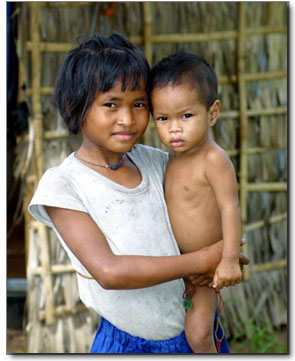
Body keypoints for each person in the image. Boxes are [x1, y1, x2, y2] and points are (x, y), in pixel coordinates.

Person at [28, 33, 248, 354]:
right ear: (74, 106)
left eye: (139, 104)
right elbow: (109, 272)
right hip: (127, 343)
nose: (128, 119)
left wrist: (226, 257)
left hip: (192, 332)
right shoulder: (63, 185)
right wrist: (202, 260)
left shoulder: (158, 162)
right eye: (111, 104)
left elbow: (214, 216)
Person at [148, 51, 242, 353]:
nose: (174, 128)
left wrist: (227, 259)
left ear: (212, 113)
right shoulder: (170, 160)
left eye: (186, 116)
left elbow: (230, 208)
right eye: (163, 118)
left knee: (199, 335)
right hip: (178, 268)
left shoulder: (213, 159)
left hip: (205, 271)